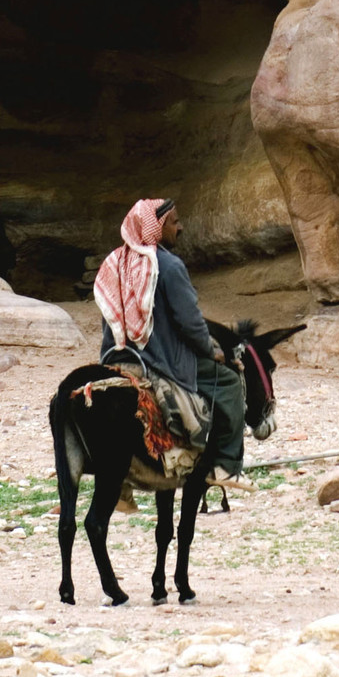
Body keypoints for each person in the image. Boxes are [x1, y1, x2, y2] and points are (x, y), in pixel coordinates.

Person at [93, 197, 245, 485]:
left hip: (116, 356)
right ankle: (226, 465)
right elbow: (190, 323)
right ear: (157, 228)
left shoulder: (114, 263)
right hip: (161, 360)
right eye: (174, 222)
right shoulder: (170, 266)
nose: (181, 228)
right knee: (228, 383)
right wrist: (210, 350)